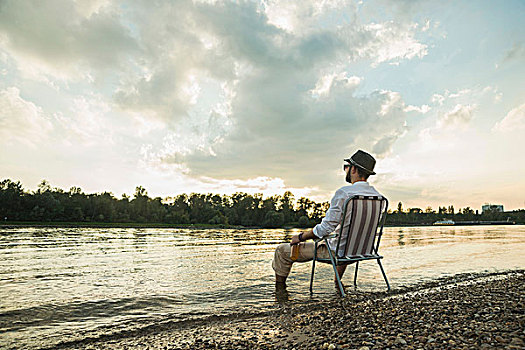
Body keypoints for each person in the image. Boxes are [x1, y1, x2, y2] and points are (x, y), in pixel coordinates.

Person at [272, 150, 383, 287]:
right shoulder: (379, 198)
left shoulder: (345, 193)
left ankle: (279, 292)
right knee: (342, 240)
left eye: (346, 167)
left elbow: (325, 229)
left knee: (282, 251)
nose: (346, 170)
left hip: (338, 253)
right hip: (362, 251)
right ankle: (338, 283)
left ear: (353, 169)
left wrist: (300, 237)